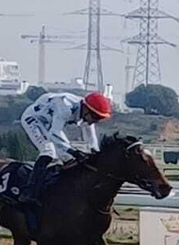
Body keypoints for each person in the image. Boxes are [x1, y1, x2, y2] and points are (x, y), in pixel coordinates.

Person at [15, 90, 112, 231]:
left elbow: (91, 138)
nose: (96, 121)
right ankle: (30, 192)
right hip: (34, 120)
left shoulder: (85, 111)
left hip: (50, 123)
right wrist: (72, 151)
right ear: (87, 110)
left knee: (69, 158)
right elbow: (54, 134)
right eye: (96, 117)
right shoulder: (65, 108)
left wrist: (96, 153)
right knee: (49, 151)